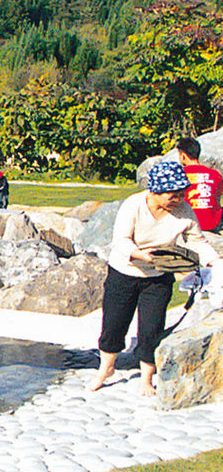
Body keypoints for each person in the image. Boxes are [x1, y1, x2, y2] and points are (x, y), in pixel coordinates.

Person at [89, 157, 221, 397]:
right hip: (125, 271)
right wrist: (141, 255)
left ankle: (146, 379)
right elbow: (120, 241)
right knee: (114, 324)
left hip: (159, 276)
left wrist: (216, 262)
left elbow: (197, 241)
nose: (179, 200)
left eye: (182, 194)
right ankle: (105, 368)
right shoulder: (134, 205)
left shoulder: (184, 211)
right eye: (173, 195)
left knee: (151, 328)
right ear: (155, 191)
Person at [172, 137, 223, 232]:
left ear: (183, 156)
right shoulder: (215, 174)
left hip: (189, 223)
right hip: (213, 224)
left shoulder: (179, 174)